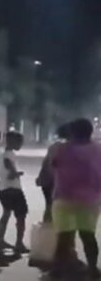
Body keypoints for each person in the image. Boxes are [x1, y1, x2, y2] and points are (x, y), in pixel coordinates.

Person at [51, 118, 101, 279]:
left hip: (64, 198)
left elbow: (54, 165)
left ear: (72, 132)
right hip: (89, 200)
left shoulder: (62, 148)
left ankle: (58, 271)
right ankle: (92, 269)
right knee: (88, 236)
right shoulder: (98, 150)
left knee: (64, 237)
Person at [0, 131, 28, 253]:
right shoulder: (8, 156)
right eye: (20, 142)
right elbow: (11, 174)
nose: (21, 145)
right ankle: (19, 243)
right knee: (21, 216)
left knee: (6, 214)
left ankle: (1, 241)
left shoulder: (2, 154)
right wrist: (18, 173)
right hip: (12, 189)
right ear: (12, 141)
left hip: (2, 189)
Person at [37, 123, 71, 223]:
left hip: (47, 181)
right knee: (55, 207)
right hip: (54, 182)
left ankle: (47, 228)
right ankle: (51, 231)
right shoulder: (66, 147)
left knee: (50, 206)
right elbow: (52, 166)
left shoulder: (54, 146)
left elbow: (47, 163)